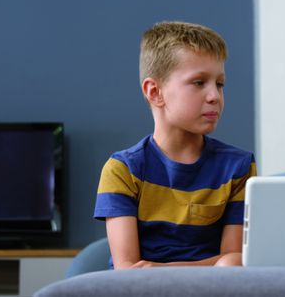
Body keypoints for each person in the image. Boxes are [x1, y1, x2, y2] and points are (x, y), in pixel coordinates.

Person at [93, 21, 256, 269]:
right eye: (199, 82)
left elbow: (234, 261)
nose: (215, 96)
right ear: (155, 91)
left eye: (219, 84)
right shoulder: (122, 170)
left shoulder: (239, 166)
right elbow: (127, 270)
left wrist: (162, 271)